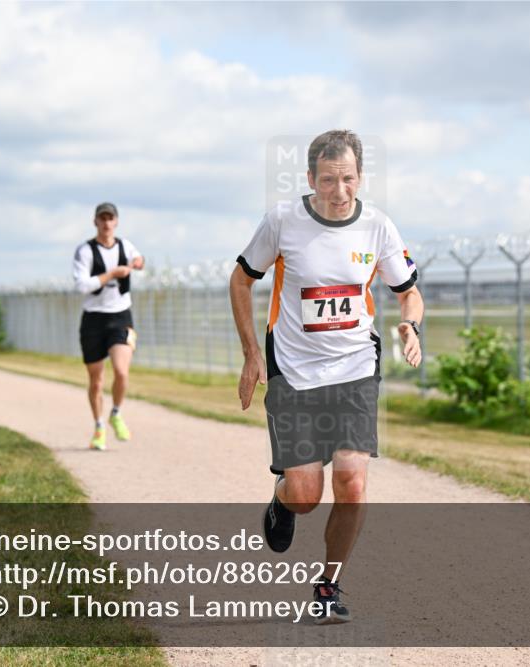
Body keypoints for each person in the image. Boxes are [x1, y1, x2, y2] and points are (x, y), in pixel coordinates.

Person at [229, 129, 424, 625]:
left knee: (353, 483)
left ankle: (328, 586)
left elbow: (408, 290)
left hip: (356, 367)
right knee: (306, 496)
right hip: (294, 371)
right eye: (331, 180)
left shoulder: (378, 225)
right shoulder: (282, 222)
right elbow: (240, 280)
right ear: (311, 178)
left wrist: (410, 324)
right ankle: (281, 499)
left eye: (351, 179)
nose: (341, 191)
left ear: (361, 177)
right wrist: (253, 353)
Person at [73, 202, 145, 451]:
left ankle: (116, 412)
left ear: (116, 221)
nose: (106, 223)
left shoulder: (125, 245)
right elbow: (82, 285)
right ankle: (98, 426)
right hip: (93, 318)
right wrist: (112, 274)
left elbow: (139, 258)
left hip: (120, 315)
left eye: (110, 218)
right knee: (96, 380)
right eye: (102, 219)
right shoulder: (85, 251)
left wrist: (136, 262)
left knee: (121, 371)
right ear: (95, 222)